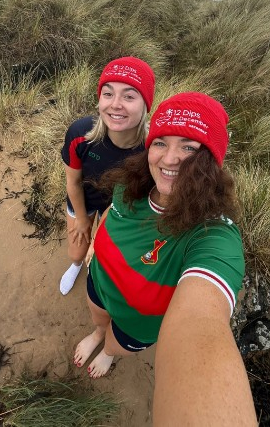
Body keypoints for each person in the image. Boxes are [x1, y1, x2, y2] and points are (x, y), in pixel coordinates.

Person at [73, 92, 254, 424]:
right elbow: (111, 215)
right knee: (99, 319)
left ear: (211, 160)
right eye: (160, 143)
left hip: (136, 323)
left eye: (189, 147)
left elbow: (201, 323)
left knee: (115, 341)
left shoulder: (212, 236)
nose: (170, 159)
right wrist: (95, 247)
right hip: (99, 282)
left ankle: (108, 352)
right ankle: (98, 333)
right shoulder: (131, 186)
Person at [58, 56, 156, 295]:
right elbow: (73, 182)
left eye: (129, 96)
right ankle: (76, 265)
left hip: (119, 208)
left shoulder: (152, 149)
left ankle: (95, 271)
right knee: (77, 253)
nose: (115, 104)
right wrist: (82, 219)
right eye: (108, 93)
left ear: (145, 104)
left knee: (101, 255)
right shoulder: (81, 134)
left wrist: (98, 237)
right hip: (84, 199)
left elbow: (136, 199)